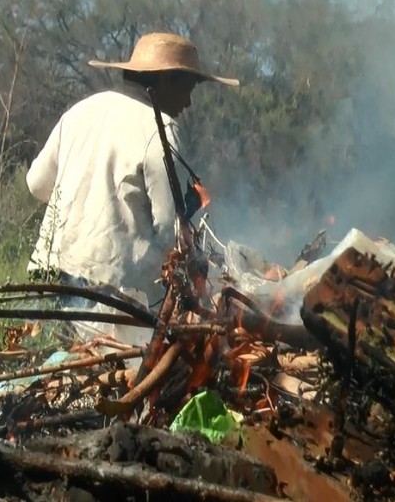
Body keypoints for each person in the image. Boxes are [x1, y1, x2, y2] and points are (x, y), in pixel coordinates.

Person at [25, 32, 238, 344]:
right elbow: (168, 232)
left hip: (47, 275)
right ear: (165, 82)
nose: (188, 102)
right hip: (105, 294)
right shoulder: (160, 128)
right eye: (187, 89)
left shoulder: (80, 112)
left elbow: (36, 185)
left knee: (38, 381)